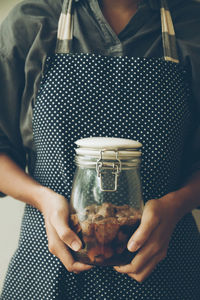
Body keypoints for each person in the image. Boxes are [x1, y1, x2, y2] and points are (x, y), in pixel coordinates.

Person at [0, 0, 200, 299]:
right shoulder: (33, 21)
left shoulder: (192, 24)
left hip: (167, 270)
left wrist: (175, 207)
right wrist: (42, 200)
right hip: (47, 272)